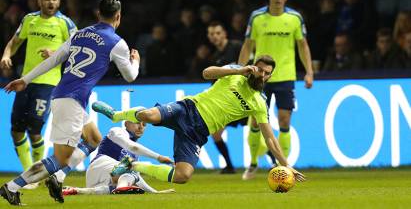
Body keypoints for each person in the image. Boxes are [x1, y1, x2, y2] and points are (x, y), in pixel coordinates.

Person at [1, 0, 140, 205]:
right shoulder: (117, 43)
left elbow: (56, 58)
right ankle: (12, 187)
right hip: (72, 101)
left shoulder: (81, 33)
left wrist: (26, 79)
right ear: (118, 16)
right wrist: (135, 61)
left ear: (98, 14)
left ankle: (58, 177)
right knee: (60, 158)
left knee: (93, 138)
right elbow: (130, 76)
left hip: (64, 95)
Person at [93, 56, 306, 185]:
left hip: (197, 133)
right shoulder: (235, 73)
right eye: (259, 69)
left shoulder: (259, 102)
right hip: (187, 108)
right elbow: (206, 73)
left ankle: (132, 166)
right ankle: (116, 115)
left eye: (267, 73)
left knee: (183, 176)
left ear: (270, 77)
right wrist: (240, 69)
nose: (262, 75)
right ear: (253, 66)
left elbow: (270, 138)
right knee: (148, 115)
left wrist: (287, 166)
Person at [237, 0, 314, 180]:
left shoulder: (295, 18)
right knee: (255, 120)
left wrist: (309, 71)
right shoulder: (257, 17)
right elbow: (247, 45)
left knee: (284, 120)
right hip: (259, 77)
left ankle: (284, 168)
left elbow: (303, 45)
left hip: (286, 76)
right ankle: (253, 163)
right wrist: (238, 71)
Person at [62, 120, 174, 195]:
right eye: (137, 123)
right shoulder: (117, 131)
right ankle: (121, 188)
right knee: (130, 168)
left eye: (144, 125)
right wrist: (158, 157)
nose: (140, 127)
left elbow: (137, 178)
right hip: (99, 166)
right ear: (126, 123)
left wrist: (155, 193)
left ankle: (76, 191)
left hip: (103, 181)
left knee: (130, 177)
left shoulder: (135, 156)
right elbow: (132, 146)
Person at [206, 21, 247, 174]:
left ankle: (276, 162)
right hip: (226, 101)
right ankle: (229, 166)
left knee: (258, 129)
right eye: (211, 34)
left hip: (243, 97)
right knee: (215, 133)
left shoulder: (237, 47)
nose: (214, 37)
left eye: (217, 33)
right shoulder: (215, 56)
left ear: (224, 34)